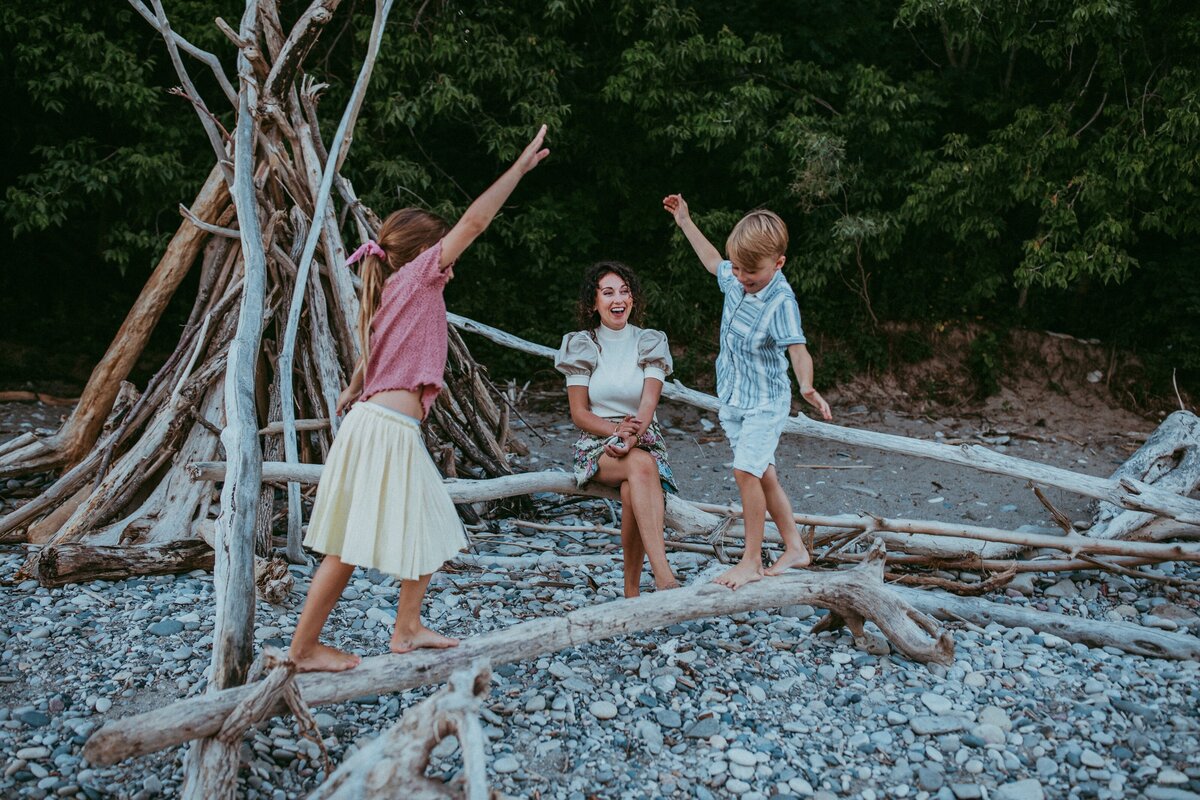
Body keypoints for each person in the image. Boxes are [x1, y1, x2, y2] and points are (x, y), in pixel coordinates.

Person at [288, 126, 550, 672]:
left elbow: (378, 351)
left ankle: (406, 628)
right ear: (427, 253)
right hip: (384, 430)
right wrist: (518, 170)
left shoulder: (394, 289)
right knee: (347, 546)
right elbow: (476, 222)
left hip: (380, 423)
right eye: (443, 250)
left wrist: (353, 386)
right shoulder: (417, 280)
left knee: (430, 522)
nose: (449, 260)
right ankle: (305, 648)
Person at [662, 194, 833, 590]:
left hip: (765, 403)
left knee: (745, 471)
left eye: (750, 273)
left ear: (778, 264)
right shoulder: (735, 276)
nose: (740, 277)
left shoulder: (781, 301)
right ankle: (795, 547)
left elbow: (798, 349)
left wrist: (806, 384)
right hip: (734, 397)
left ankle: (751, 561)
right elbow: (710, 261)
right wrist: (685, 219)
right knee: (763, 474)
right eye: (737, 268)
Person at [554, 261, 680, 597]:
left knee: (634, 482)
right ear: (593, 303)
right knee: (640, 466)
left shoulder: (649, 341)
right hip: (597, 443)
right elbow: (579, 413)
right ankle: (664, 575)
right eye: (608, 292)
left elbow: (648, 405)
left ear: (633, 299)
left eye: (624, 291)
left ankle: (632, 592)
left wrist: (632, 436)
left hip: (645, 438)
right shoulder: (582, 345)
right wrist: (615, 432)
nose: (617, 299)